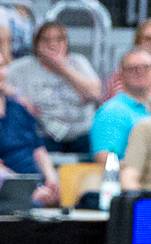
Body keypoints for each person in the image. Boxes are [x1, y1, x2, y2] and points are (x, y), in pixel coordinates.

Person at [0, 46, 60, 206]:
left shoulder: (20, 108)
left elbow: (39, 149)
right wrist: (28, 191)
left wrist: (51, 180)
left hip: (36, 187)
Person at [8, 22, 101, 154]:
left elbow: (95, 93)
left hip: (81, 134)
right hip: (43, 136)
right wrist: (17, 97)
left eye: (59, 40)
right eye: (46, 40)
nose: (52, 44)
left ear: (66, 43)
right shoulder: (22, 68)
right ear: (36, 43)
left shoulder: (78, 62)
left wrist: (62, 67)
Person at [90, 46, 151, 164]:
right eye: (133, 68)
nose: (140, 72)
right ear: (121, 74)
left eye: (146, 67)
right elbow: (106, 162)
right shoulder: (111, 112)